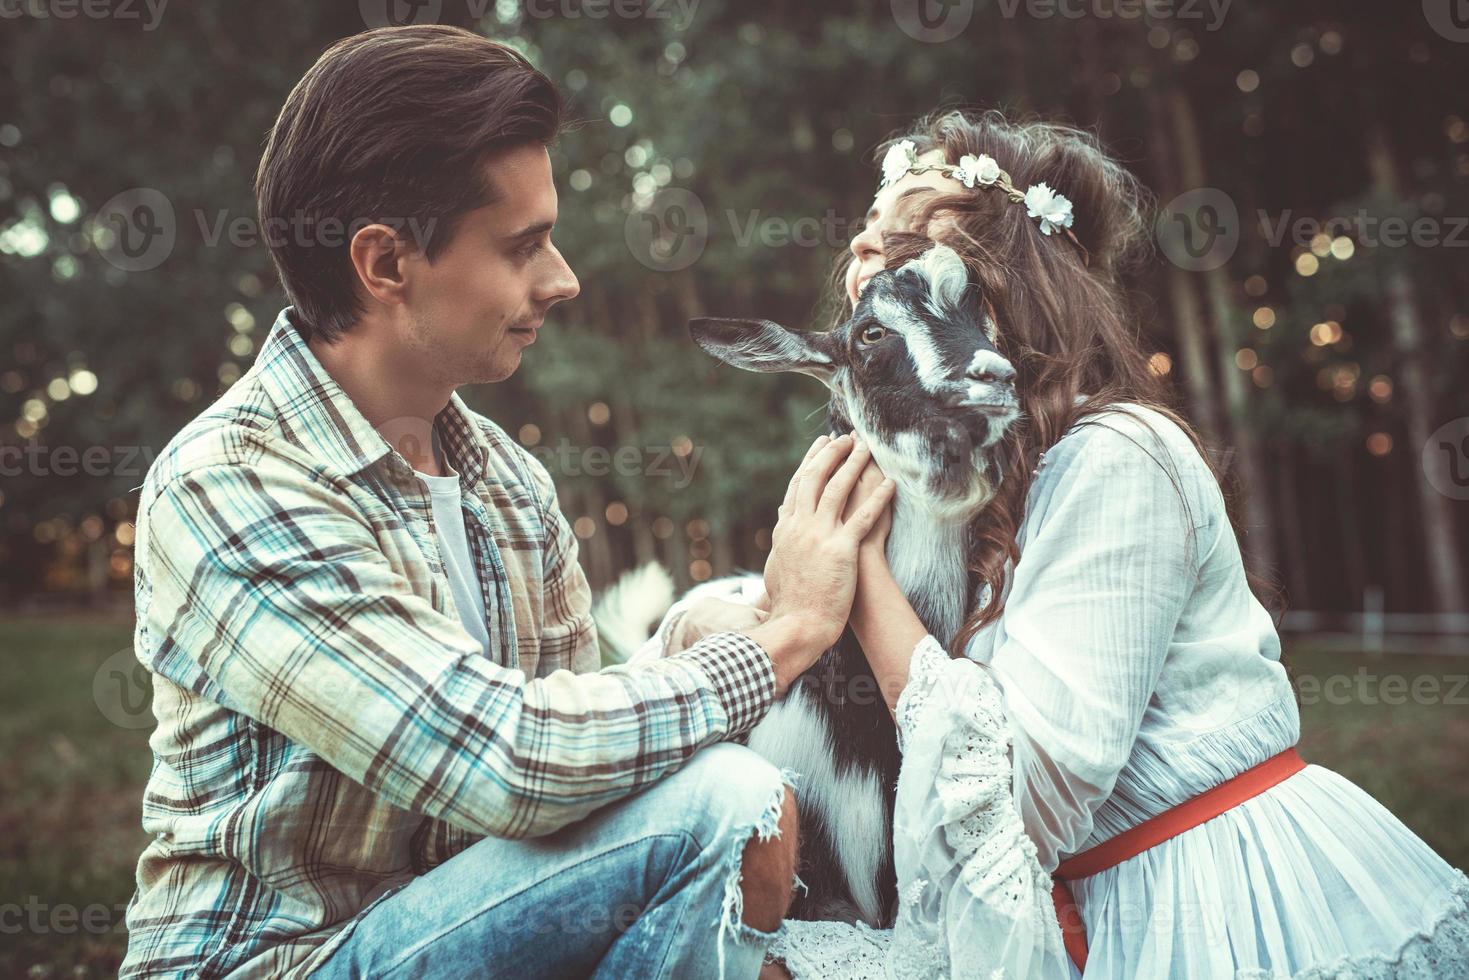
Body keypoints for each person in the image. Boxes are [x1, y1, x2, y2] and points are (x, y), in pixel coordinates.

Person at [120, 25, 897, 980]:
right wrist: (786, 636)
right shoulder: (229, 483)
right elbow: (513, 761)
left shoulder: (508, 484)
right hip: (281, 962)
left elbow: (593, 768)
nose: (561, 279)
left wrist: (706, 634)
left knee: (712, 807)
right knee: (724, 807)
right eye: (521, 245)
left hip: (471, 929)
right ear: (384, 264)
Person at [682, 110, 1469, 978]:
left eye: (899, 240)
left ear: (1000, 272)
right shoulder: (958, 492)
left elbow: (1021, 796)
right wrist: (725, 621)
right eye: (862, 240)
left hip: (1210, 908)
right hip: (1062, 917)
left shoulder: (1118, 456)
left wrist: (857, 564)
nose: (860, 259)